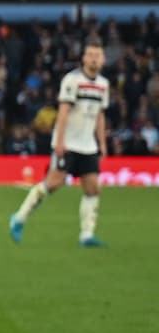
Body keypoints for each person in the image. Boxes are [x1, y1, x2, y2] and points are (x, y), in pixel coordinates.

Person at [11, 40, 110, 248]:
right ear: (84, 58)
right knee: (53, 184)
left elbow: (100, 115)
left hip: (88, 145)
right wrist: (60, 141)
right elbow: (63, 112)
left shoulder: (103, 84)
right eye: (91, 55)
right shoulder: (72, 80)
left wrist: (102, 143)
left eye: (98, 55)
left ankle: (86, 235)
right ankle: (19, 218)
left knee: (93, 188)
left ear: (103, 59)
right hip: (68, 143)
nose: (94, 59)